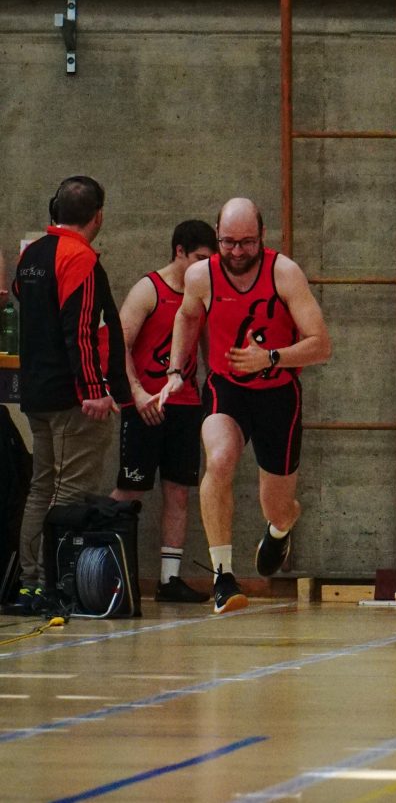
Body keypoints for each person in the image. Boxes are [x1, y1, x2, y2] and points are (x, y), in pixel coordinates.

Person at [158, 198, 331, 614]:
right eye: (229, 242)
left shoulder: (284, 273)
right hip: (227, 388)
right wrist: (176, 370)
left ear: (263, 236)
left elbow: (321, 345)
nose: (237, 252)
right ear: (217, 235)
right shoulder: (201, 276)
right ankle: (223, 576)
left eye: (247, 243)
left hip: (278, 393)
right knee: (219, 460)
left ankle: (281, 527)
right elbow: (187, 317)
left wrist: (270, 357)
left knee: (278, 507)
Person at [11, 175, 128, 612]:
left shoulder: (32, 256)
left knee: (41, 490)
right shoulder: (79, 258)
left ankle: (30, 584)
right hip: (73, 400)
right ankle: (51, 587)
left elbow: (23, 299)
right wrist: (95, 391)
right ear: (98, 216)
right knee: (67, 494)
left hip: (38, 393)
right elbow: (80, 331)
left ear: (55, 209)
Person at [109, 220, 218, 603]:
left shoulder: (201, 293)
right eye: (200, 258)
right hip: (144, 407)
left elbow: (209, 350)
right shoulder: (149, 289)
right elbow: (118, 344)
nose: (205, 266)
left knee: (179, 492)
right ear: (179, 252)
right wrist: (137, 394)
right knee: (131, 488)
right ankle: (104, 568)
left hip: (185, 407)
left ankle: (169, 580)